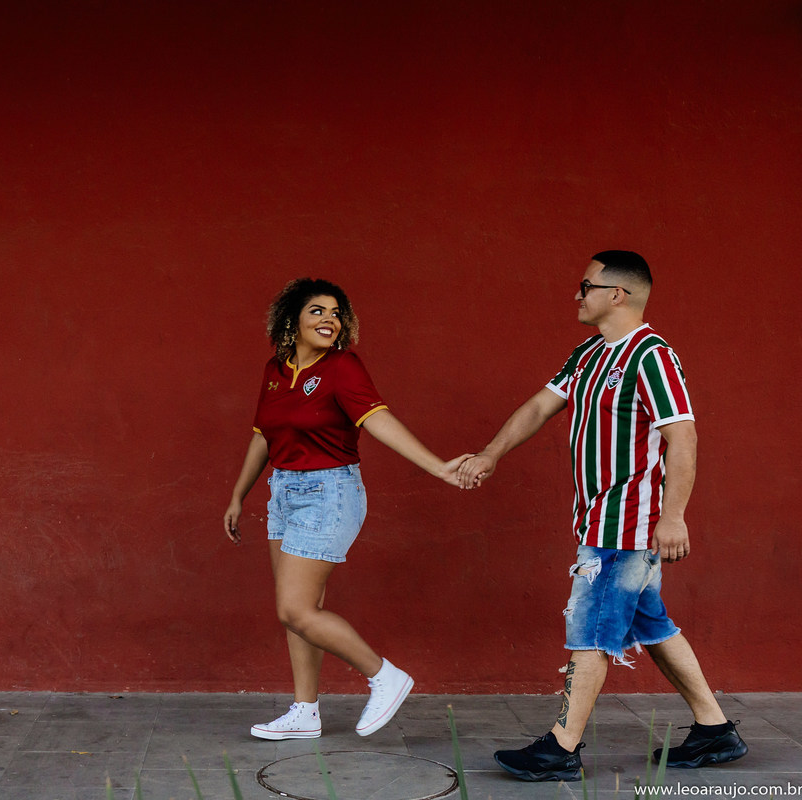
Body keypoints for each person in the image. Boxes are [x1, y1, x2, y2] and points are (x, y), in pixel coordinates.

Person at [457, 251, 748, 781]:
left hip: (627, 521)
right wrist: (491, 453)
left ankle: (561, 748)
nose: (577, 294)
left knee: (591, 626)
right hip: (597, 517)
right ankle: (715, 729)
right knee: (650, 624)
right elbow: (540, 406)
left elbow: (682, 436)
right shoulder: (589, 353)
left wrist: (673, 517)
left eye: (585, 285)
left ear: (618, 294)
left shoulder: (651, 356)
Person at [224, 277, 469, 741]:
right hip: (284, 491)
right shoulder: (275, 369)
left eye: (336, 313)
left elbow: (377, 420)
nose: (329, 319)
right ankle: (305, 711)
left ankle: (384, 676)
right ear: (292, 319)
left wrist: (437, 467)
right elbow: (263, 435)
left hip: (328, 492)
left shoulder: (343, 367)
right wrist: (239, 494)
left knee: (294, 610)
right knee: (302, 609)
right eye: (317, 311)